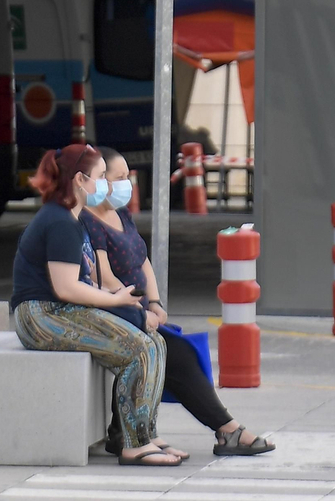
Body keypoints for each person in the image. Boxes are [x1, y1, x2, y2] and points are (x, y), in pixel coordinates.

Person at [81, 148, 275, 457]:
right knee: (175, 352)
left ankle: (130, 430)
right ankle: (225, 429)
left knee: (177, 350)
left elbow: (142, 260)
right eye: (114, 178)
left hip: (138, 308)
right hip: (117, 308)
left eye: (123, 177)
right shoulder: (90, 222)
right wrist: (138, 308)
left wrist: (154, 301)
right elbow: (105, 278)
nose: (122, 184)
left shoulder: (121, 214)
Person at [10, 143, 181, 467]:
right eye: (101, 176)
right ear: (79, 180)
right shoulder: (60, 221)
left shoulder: (72, 219)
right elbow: (66, 288)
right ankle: (134, 444)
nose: (106, 185)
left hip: (59, 310)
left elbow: (85, 282)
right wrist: (116, 300)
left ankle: (146, 433)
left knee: (155, 342)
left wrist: (129, 305)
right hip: (41, 316)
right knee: (140, 349)